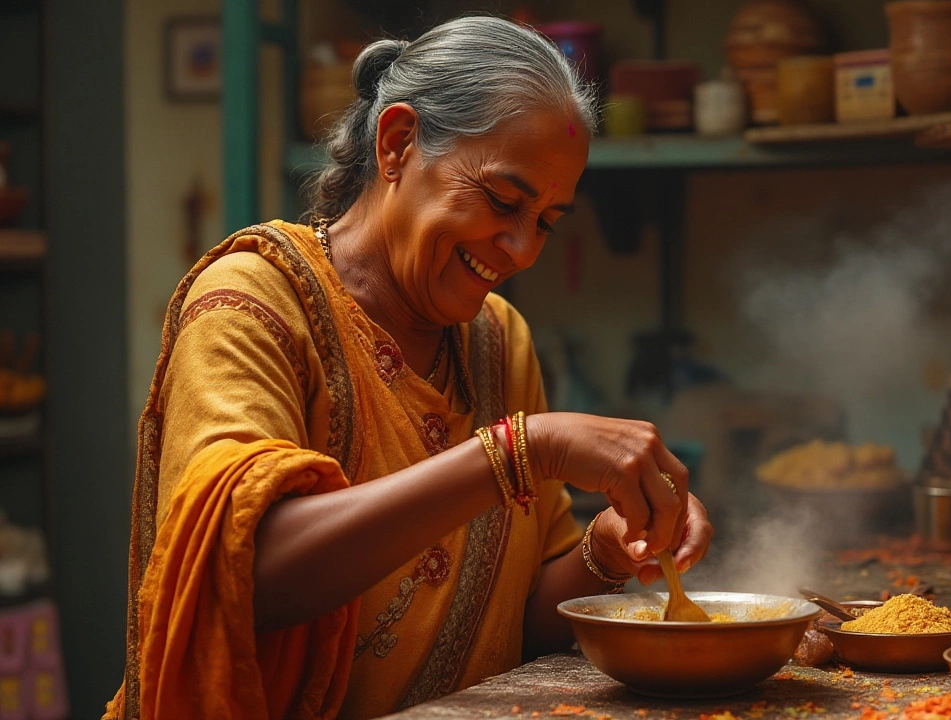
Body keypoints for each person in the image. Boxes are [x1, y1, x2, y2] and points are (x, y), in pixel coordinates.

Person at [105, 16, 713, 720]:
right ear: (397, 144)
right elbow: (242, 576)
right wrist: (522, 449)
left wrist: (611, 548)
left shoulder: (498, 342)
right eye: (503, 200)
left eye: (546, 220)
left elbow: (523, 625)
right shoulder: (252, 304)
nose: (520, 250)